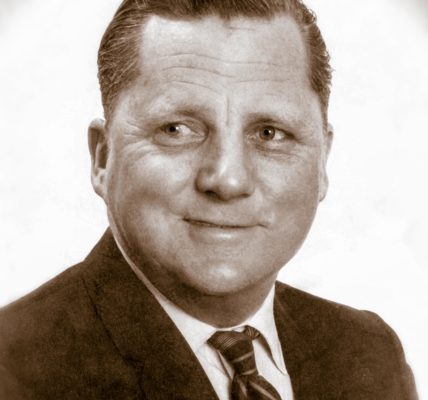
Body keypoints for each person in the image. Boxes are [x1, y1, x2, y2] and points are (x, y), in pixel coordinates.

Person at [0, 0, 418, 399]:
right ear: (103, 157)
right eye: (176, 130)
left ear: (322, 161)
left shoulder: (369, 351)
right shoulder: (13, 370)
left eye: (269, 133)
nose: (227, 180)